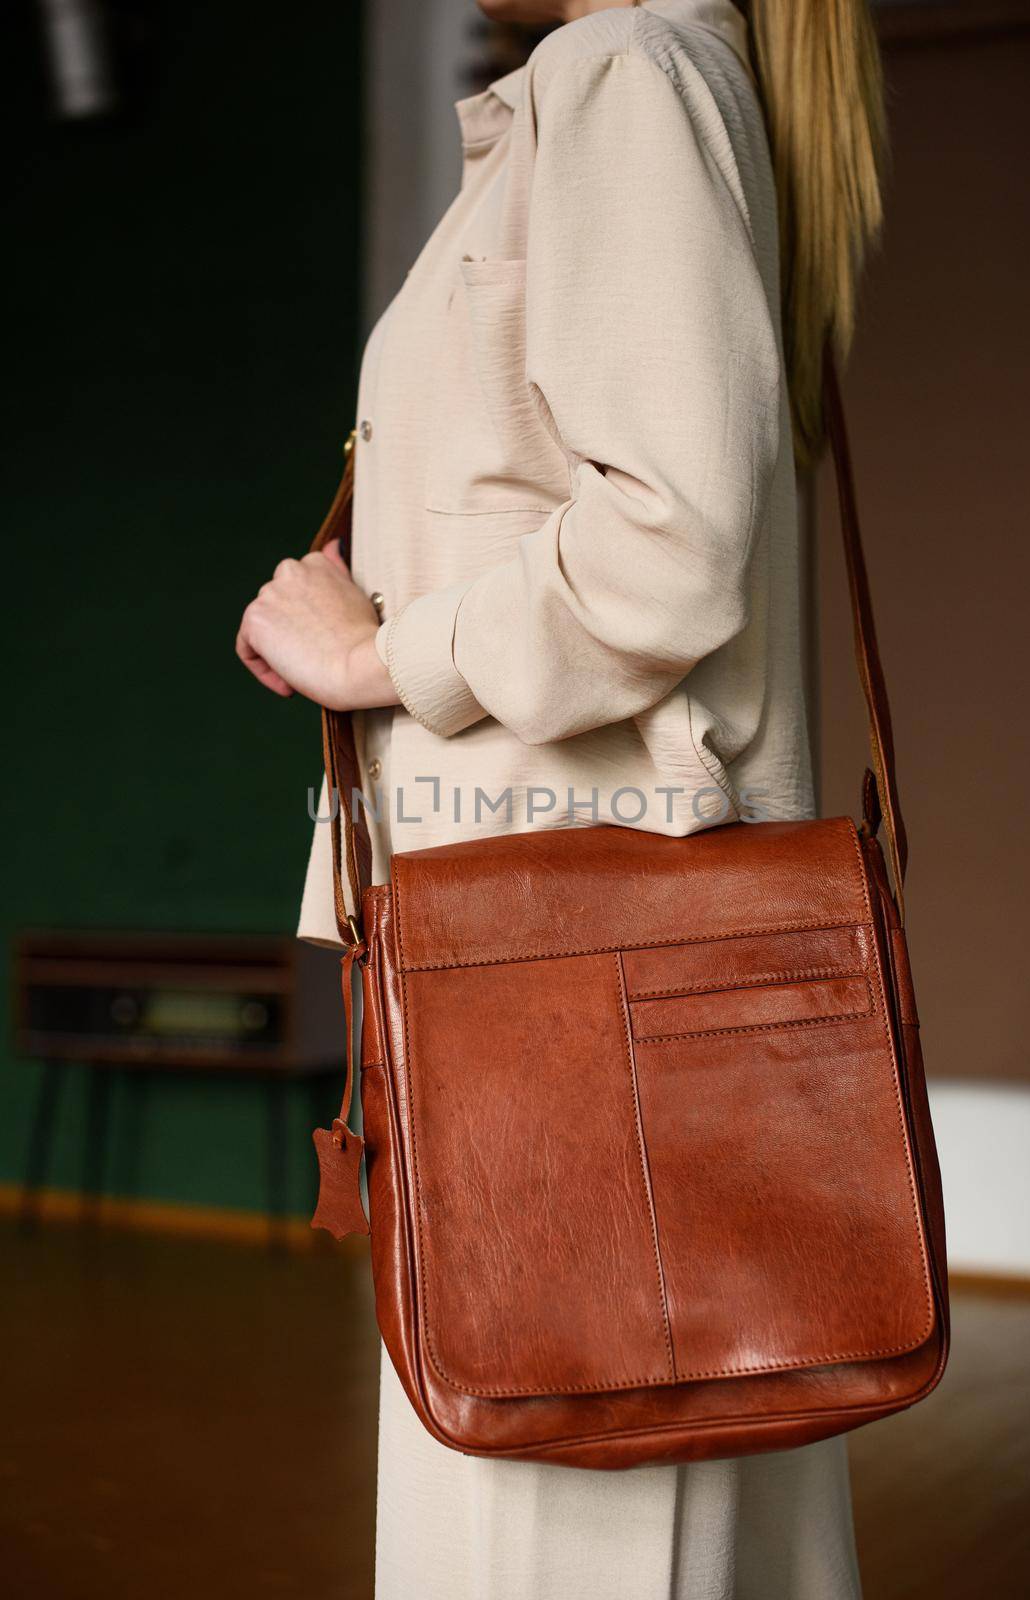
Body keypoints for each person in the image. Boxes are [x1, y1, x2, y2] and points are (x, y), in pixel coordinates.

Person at [236, 2, 886, 1594]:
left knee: (567, 1517)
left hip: (568, 1005)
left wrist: (384, 653)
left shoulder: (632, 75)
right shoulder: (644, 88)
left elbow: (669, 546)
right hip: (576, 997)